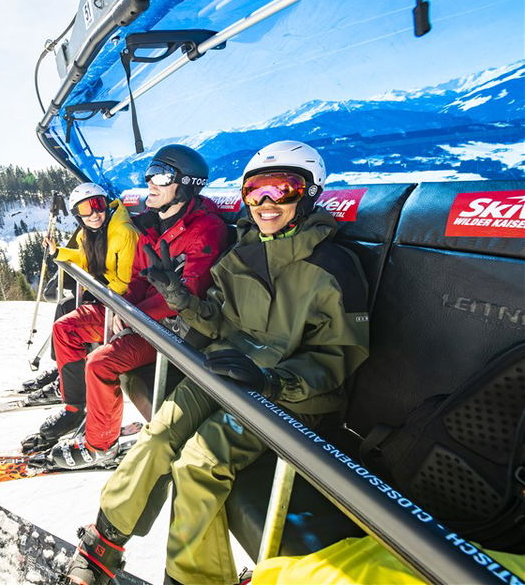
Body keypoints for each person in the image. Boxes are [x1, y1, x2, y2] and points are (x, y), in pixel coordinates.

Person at [62, 140, 371, 585]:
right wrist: (183, 300)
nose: (266, 204)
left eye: (281, 190)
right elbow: (218, 320)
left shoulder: (332, 267)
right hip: (226, 371)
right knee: (157, 438)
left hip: (289, 397)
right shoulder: (241, 254)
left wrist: (272, 381)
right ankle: (103, 544)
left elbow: (339, 356)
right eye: (255, 192)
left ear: (309, 193)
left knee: (198, 465)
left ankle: (192, 579)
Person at [40, 144, 230, 465]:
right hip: (145, 321)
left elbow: (187, 296)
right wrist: (119, 306)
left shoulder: (206, 229)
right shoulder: (153, 225)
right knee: (69, 328)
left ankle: (100, 446)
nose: (151, 182)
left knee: (101, 363)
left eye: (162, 175)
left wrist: (132, 318)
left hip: (179, 330)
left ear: (186, 185)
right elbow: (140, 279)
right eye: (150, 174)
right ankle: (77, 406)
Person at [20, 182, 140, 450]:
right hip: (105, 296)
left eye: (97, 205)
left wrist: (99, 292)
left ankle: (75, 406)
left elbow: (126, 281)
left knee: (67, 328)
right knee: (64, 307)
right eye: (85, 211)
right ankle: (65, 378)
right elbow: (85, 258)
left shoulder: (122, 232)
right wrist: (58, 252)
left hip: (120, 303)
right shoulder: (90, 233)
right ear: (78, 216)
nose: (93, 214)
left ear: (105, 204)